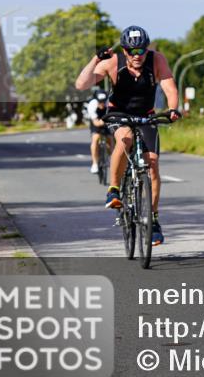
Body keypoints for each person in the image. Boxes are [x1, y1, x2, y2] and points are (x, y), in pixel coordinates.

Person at [74, 26, 181, 246]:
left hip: (146, 115)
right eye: (132, 51)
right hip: (119, 114)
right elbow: (81, 84)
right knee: (126, 138)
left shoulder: (157, 60)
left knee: (153, 164)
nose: (137, 55)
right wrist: (96, 59)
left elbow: (170, 87)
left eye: (141, 50)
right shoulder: (114, 62)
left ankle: (153, 220)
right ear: (124, 50)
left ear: (147, 49)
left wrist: (173, 109)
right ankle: (113, 190)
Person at [85, 89, 111, 173]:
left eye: (103, 102)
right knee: (95, 138)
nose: (102, 104)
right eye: (100, 102)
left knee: (110, 139)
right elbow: (96, 122)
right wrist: (101, 122)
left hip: (107, 120)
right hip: (96, 121)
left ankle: (110, 158)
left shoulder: (109, 103)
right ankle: (95, 163)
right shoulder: (92, 104)